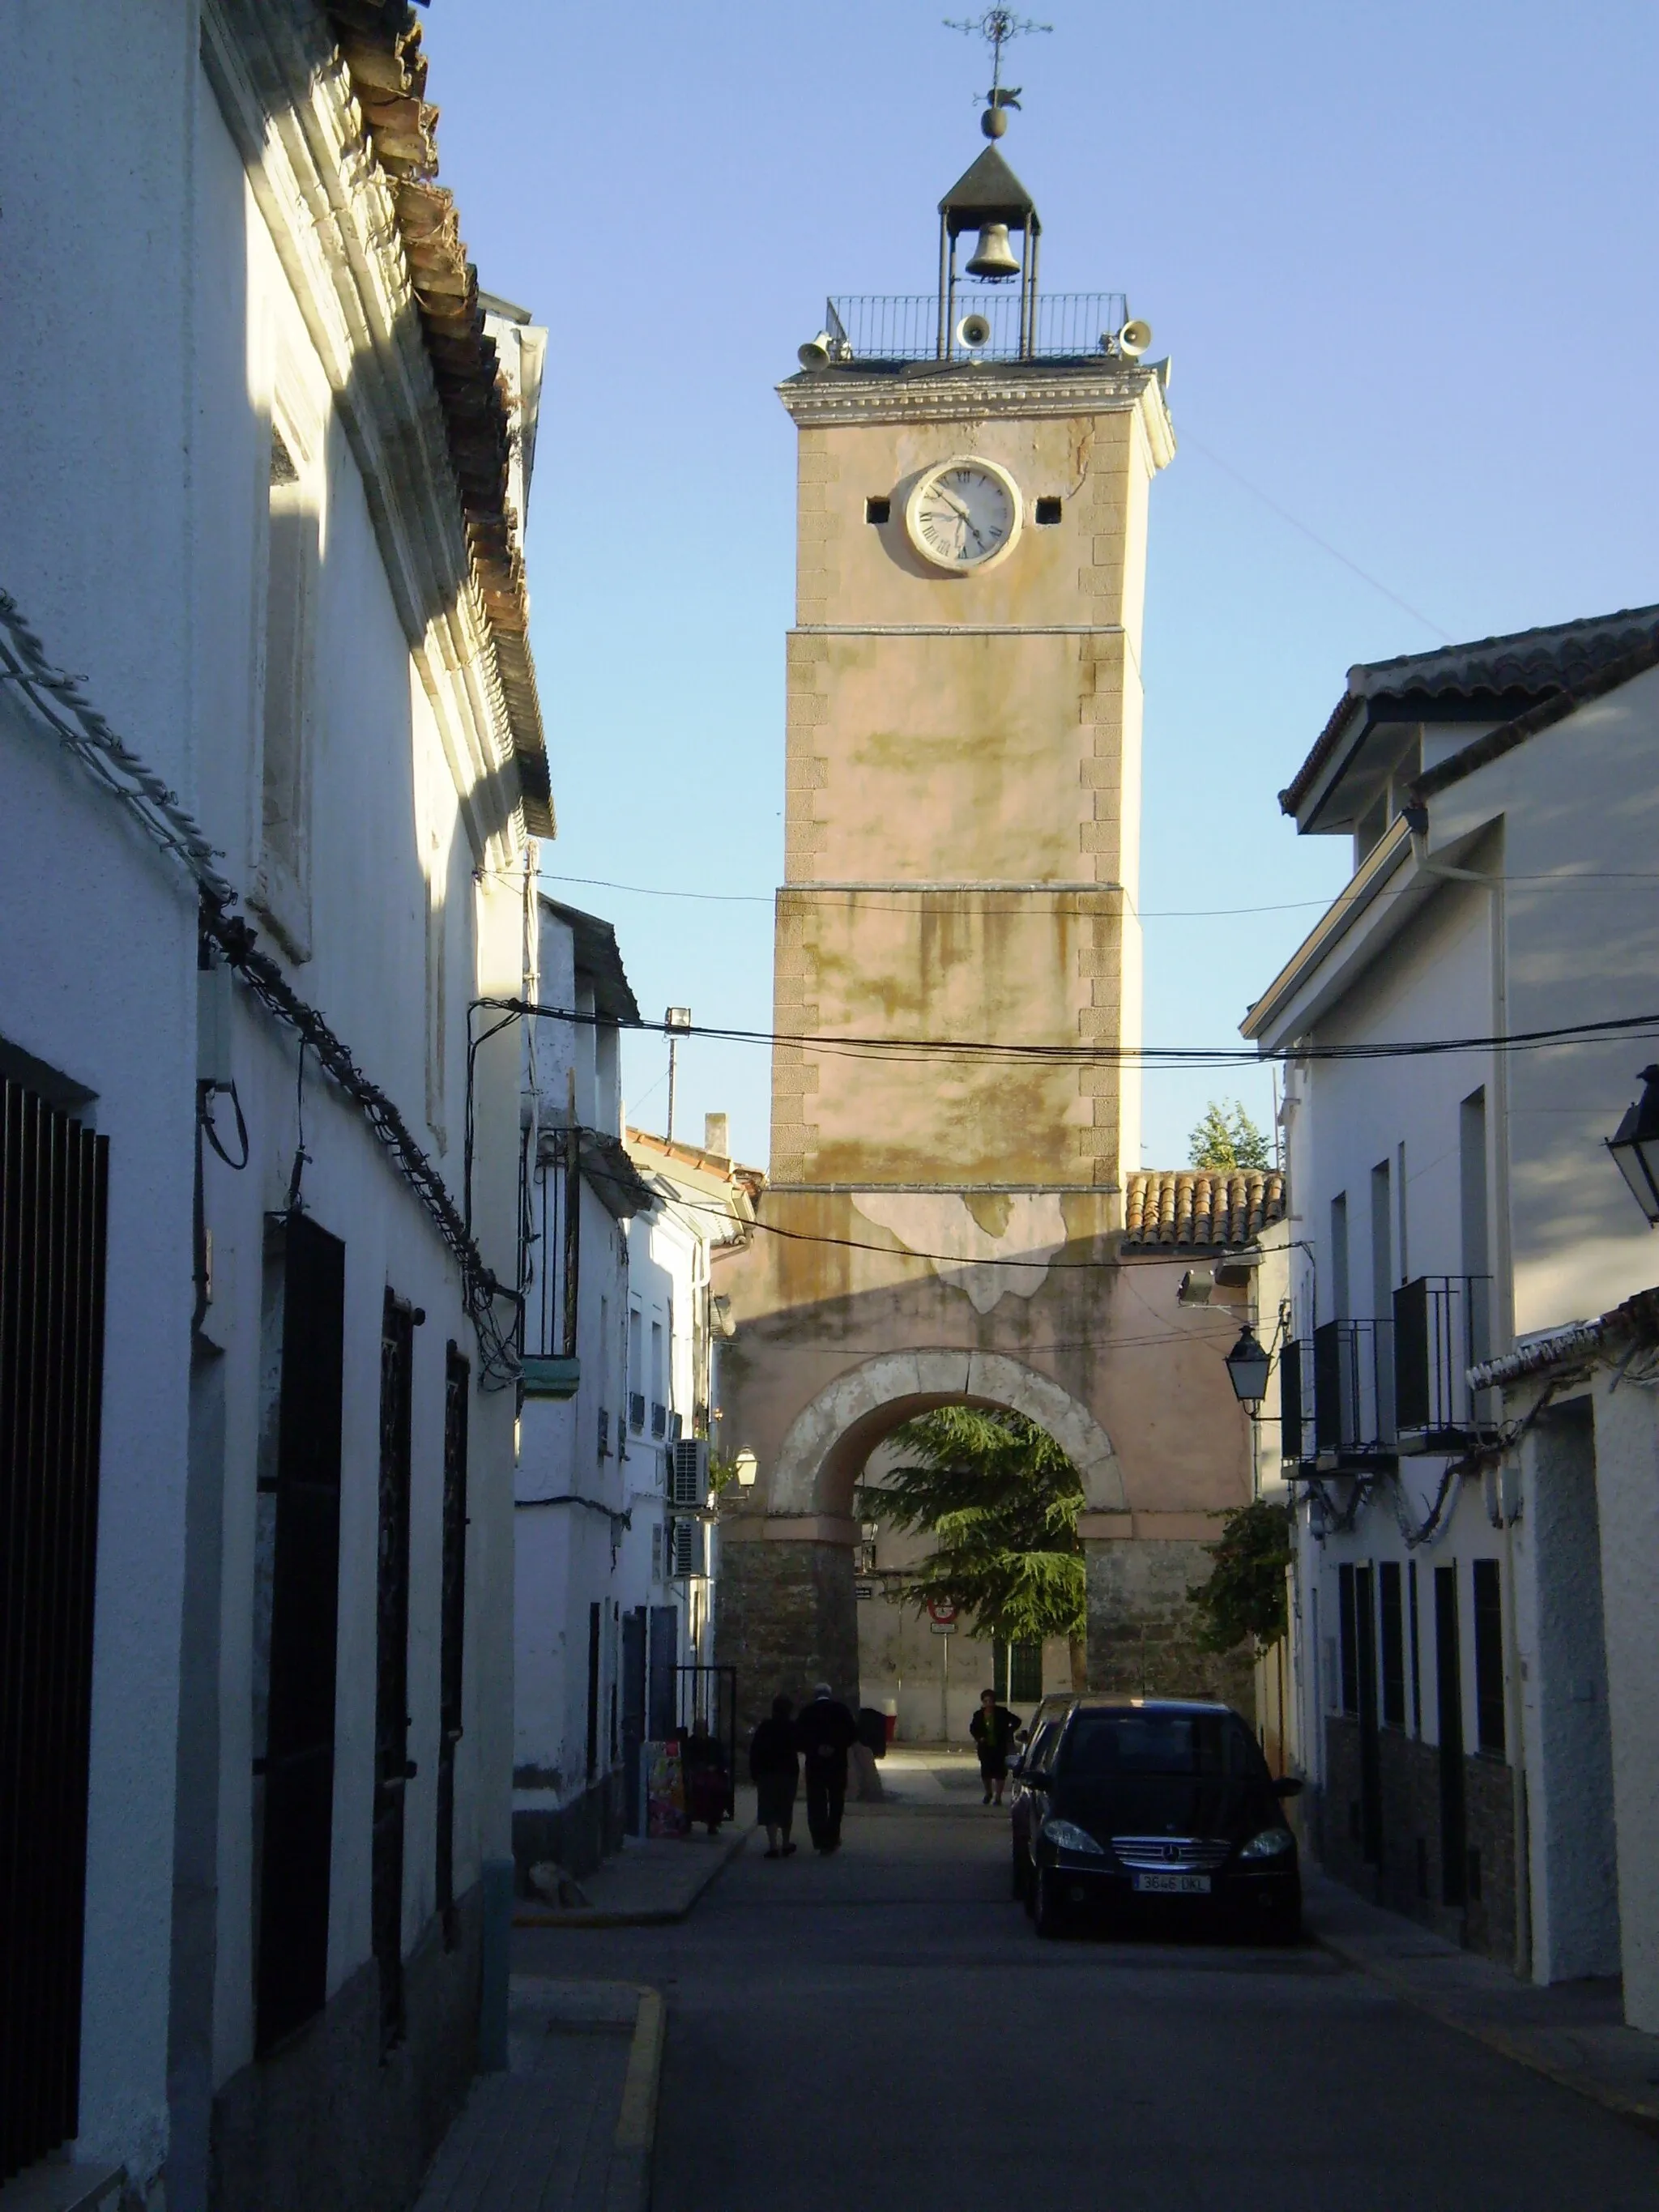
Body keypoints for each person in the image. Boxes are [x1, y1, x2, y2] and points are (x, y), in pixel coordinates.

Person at [794, 1682, 858, 1853]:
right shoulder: (841, 1710)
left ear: (815, 1695)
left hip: (815, 1763)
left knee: (816, 1801)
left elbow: (798, 1738)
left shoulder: (807, 1712)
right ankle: (833, 1836)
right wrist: (835, 1746)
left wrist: (815, 1748)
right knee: (836, 1801)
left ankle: (819, 1837)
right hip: (837, 1763)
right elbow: (852, 1734)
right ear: (830, 1694)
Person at [748, 1694, 800, 1859]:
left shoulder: (765, 1727)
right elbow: (800, 1745)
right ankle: (785, 1843)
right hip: (788, 1772)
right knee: (785, 1807)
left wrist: (754, 1773)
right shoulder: (792, 1727)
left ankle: (773, 1845)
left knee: (769, 1808)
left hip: (767, 1772)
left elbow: (755, 1750)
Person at [970, 1688, 1022, 1806]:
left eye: (991, 1701)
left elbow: (1017, 1721)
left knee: (1000, 1772)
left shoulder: (1001, 1712)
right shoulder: (978, 1715)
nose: (988, 1704)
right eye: (986, 1701)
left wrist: (1009, 1731)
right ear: (983, 1702)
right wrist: (979, 1738)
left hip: (999, 1746)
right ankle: (988, 1793)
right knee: (986, 1772)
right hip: (985, 1747)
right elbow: (973, 1728)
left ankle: (998, 1797)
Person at [680, 1714, 729, 1835]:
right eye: (698, 1728)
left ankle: (713, 1822)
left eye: (703, 1728)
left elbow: (721, 1761)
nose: (701, 1730)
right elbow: (686, 1760)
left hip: (711, 1775)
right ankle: (688, 1820)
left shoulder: (714, 1744)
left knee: (717, 1789)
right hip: (695, 1775)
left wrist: (715, 1767)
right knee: (693, 1789)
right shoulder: (689, 1744)